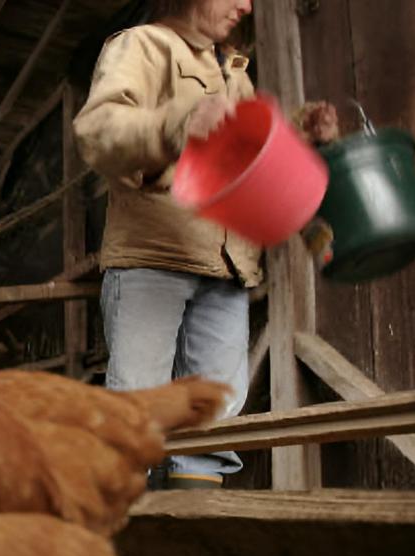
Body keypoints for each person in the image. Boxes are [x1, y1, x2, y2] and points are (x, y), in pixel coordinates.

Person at [73, 0, 257, 490]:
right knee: (137, 407)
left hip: (228, 263)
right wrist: (172, 125)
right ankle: (127, 537)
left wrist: (305, 141)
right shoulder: (143, 45)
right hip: (152, 254)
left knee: (213, 425)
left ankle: (194, 534)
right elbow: (98, 132)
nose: (247, 5)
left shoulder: (236, 72)